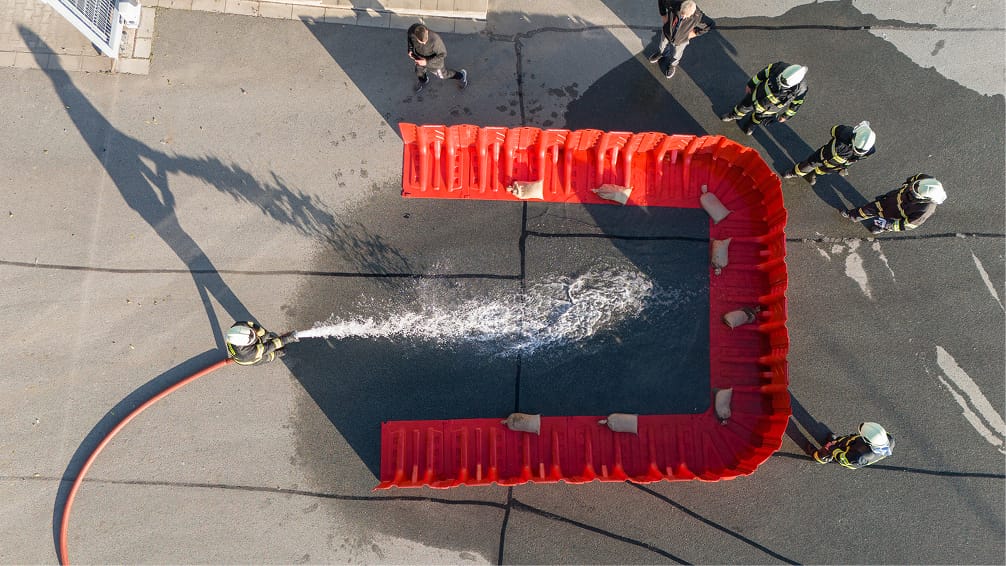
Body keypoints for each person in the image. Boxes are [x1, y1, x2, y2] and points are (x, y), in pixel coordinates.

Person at [720, 62, 808, 135]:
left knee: (759, 118)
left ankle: (751, 124)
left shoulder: (801, 89)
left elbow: (796, 104)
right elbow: (763, 73)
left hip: (770, 109)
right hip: (756, 96)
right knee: (742, 107)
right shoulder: (780, 67)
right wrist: (751, 84)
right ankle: (733, 115)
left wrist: (785, 116)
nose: (779, 83)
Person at [842, 174, 946, 234]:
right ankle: (854, 215)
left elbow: (909, 224)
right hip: (891, 199)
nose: (911, 189)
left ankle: (881, 228)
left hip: (895, 214)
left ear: (925, 199)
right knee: (869, 209)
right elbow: (913, 179)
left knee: (883, 223)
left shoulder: (925, 210)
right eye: (914, 187)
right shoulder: (925, 180)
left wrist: (890, 226)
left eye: (914, 192)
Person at [783, 121, 876, 186]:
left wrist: (844, 168)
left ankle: (810, 176)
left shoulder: (845, 132)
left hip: (832, 161)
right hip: (825, 157)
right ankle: (795, 173)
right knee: (810, 164)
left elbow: (833, 130)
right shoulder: (868, 150)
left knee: (820, 170)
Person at [647, 0, 712, 79]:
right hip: (667, 32)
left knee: (677, 54)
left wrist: (694, 33)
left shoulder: (697, 17)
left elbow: (709, 24)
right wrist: (663, 15)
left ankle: (672, 64)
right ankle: (662, 54)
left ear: (692, 13)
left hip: (681, 40)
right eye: (682, 13)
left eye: (686, 16)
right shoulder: (673, 2)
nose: (683, 16)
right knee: (662, 45)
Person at [407, 23, 468, 93]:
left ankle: (461, 76)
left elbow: (443, 54)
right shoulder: (412, 31)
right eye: (421, 42)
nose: (424, 43)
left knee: (443, 75)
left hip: (434, 63)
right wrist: (410, 50)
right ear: (415, 36)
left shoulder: (435, 40)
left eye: (426, 40)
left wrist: (427, 62)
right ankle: (424, 81)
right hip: (420, 58)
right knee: (419, 72)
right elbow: (410, 39)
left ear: (427, 31)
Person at [813, 422, 894, 469]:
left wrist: (832, 448)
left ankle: (821, 458)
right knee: (843, 441)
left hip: (849, 457)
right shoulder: (889, 439)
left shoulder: (861, 456)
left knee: (830, 453)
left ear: (867, 441)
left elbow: (843, 459)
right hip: (856, 444)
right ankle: (836, 442)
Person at [225, 321, 297, 366]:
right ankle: (280, 353)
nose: (255, 337)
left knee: (266, 335)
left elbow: (252, 325)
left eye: (252, 333)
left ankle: (268, 337)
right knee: (269, 356)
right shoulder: (246, 353)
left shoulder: (238, 326)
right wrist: (287, 339)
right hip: (250, 359)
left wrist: (265, 334)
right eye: (251, 340)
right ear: (242, 344)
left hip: (249, 349)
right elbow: (268, 347)